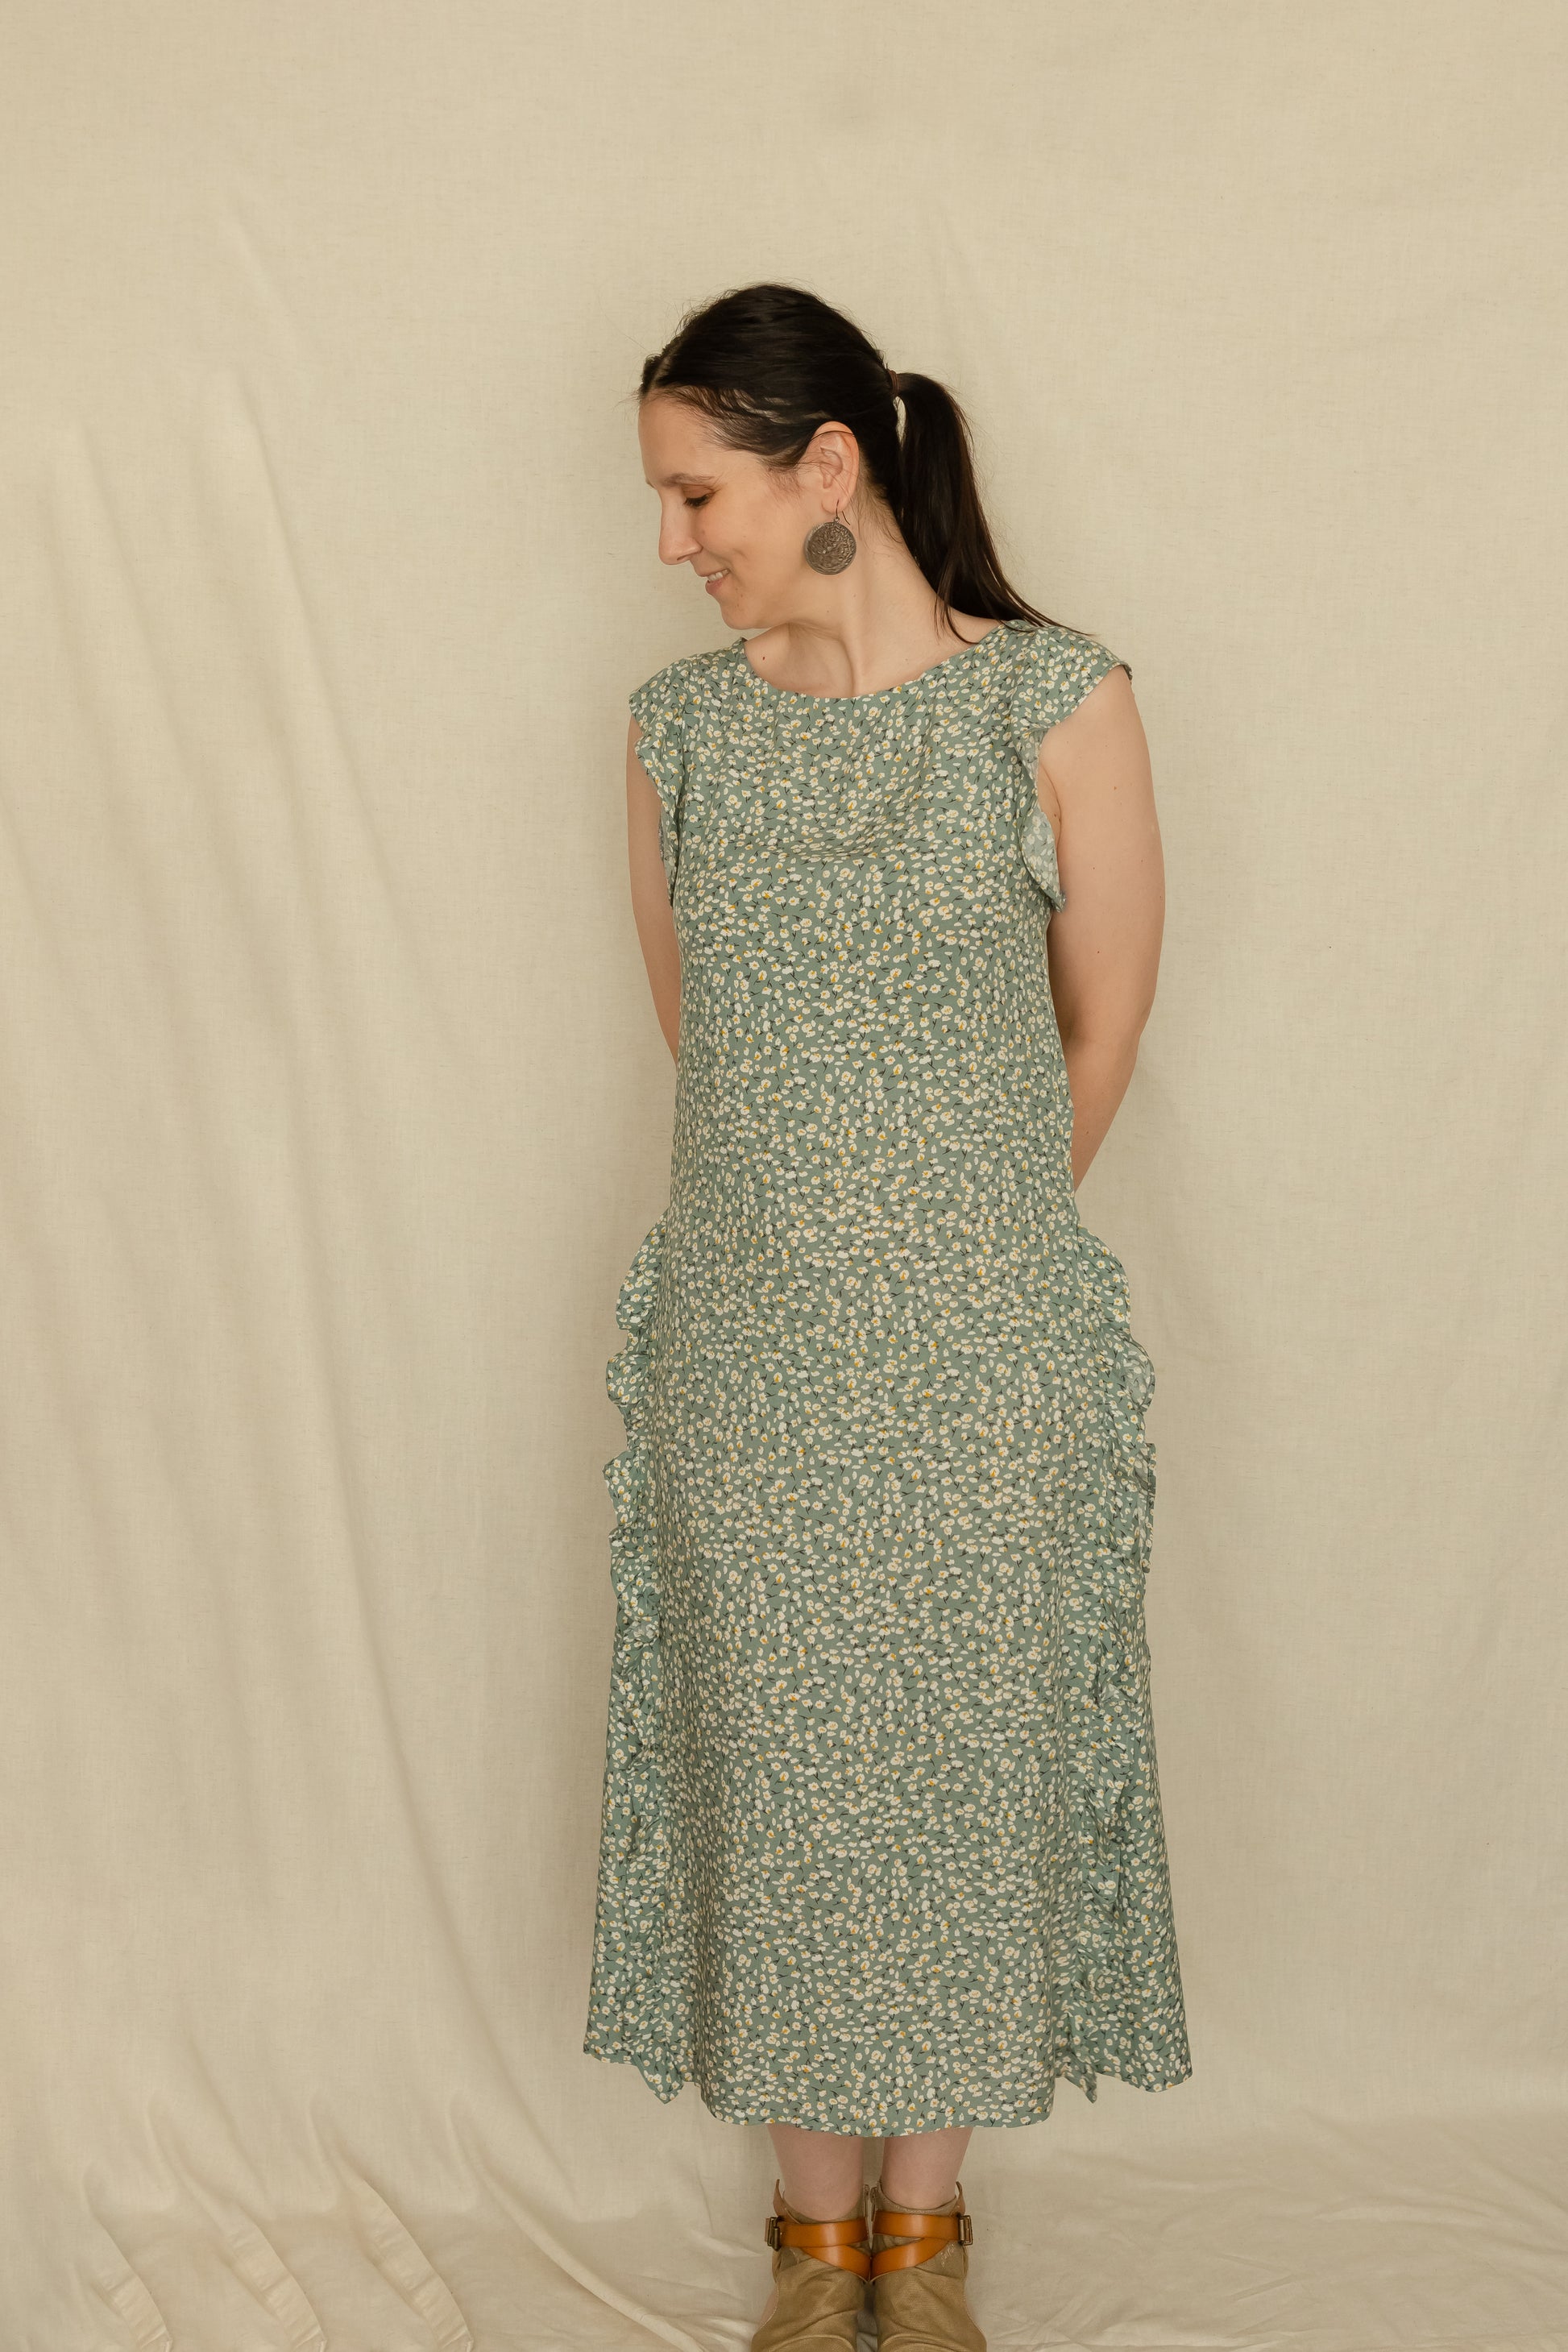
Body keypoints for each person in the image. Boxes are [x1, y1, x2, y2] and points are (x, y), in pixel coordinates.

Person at [583, 281, 1191, 2352]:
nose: (675, 540)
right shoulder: (676, 731)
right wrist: (814, 1251)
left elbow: (1096, 1030)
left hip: (985, 1347)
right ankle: (804, 2248)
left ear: (827, 464)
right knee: (769, 1772)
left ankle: (922, 2258)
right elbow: (710, 1038)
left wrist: (959, 1243)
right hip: (742, 1354)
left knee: (956, 1766)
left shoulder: (1057, 701)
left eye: (697, 492)